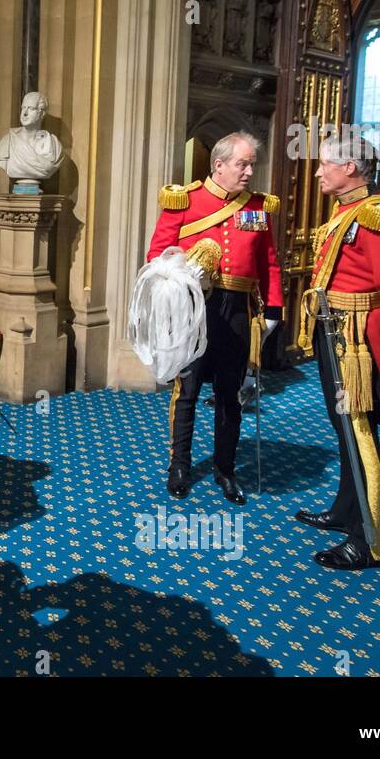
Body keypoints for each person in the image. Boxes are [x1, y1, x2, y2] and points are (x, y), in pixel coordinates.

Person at [295, 134, 380, 570]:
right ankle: (347, 509)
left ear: (349, 167)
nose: (317, 172)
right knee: (343, 426)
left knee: (359, 430)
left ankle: (368, 540)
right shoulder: (348, 210)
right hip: (335, 333)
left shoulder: (378, 215)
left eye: (324, 164)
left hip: (359, 341)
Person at [147, 131, 283, 504]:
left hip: (238, 310)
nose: (249, 171)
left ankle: (225, 469)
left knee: (230, 394)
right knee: (187, 390)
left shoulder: (257, 206)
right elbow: (156, 257)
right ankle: (179, 466)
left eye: (252, 164)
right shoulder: (185, 200)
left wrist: (273, 309)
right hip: (195, 307)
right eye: (243, 163)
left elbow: (268, 262)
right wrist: (183, 276)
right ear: (218, 165)